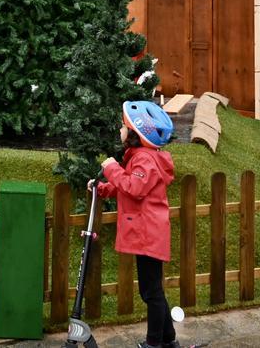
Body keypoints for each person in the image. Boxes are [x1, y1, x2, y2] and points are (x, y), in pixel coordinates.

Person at [92, 101, 193, 348]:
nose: (120, 129)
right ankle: (169, 340)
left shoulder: (145, 160)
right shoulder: (140, 158)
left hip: (148, 233)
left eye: (124, 126)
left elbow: (135, 188)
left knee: (151, 293)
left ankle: (153, 343)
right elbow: (127, 184)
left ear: (136, 134)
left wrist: (111, 168)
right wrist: (103, 188)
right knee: (153, 290)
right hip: (147, 231)